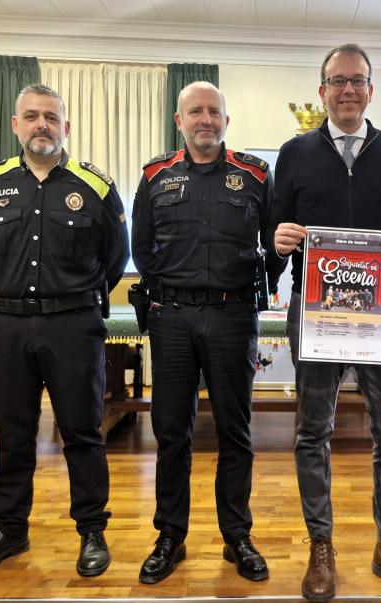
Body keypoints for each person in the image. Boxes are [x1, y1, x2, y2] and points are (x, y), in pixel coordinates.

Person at [271, 43, 381, 602]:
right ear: (322, 91)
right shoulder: (293, 153)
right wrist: (277, 239)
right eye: (337, 81)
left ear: (370, 90)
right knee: (312, 432)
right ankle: (321, 546)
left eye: (357, 80)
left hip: (380, 310)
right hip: (315, 308)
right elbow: (274, 229)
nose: (347, 90)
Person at [0, 84, 129, 577]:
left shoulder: (95, 186)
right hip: (7, 327)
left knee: (82, 432)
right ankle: (9, 528)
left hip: (73, 326)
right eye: (32, 116)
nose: (42, 125)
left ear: (66, 127)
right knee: (13, 434)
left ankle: (92, 530)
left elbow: (114, 258)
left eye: (51, 117)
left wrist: (69, 296)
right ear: (16, 124)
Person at [131, 81, 279, 585]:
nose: (205, 120)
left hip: (233, 317)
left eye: (214, 111)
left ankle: (237, 535)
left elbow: (275, 244)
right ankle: (169, 536)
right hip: (171, 317)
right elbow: (141, 247)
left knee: (235, 431)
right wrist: (171, 290)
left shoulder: (255, 175)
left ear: (226, 120)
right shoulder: (155, 175)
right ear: (180, 121)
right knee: (172, 432)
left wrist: (256, 286)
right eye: (195, 111)